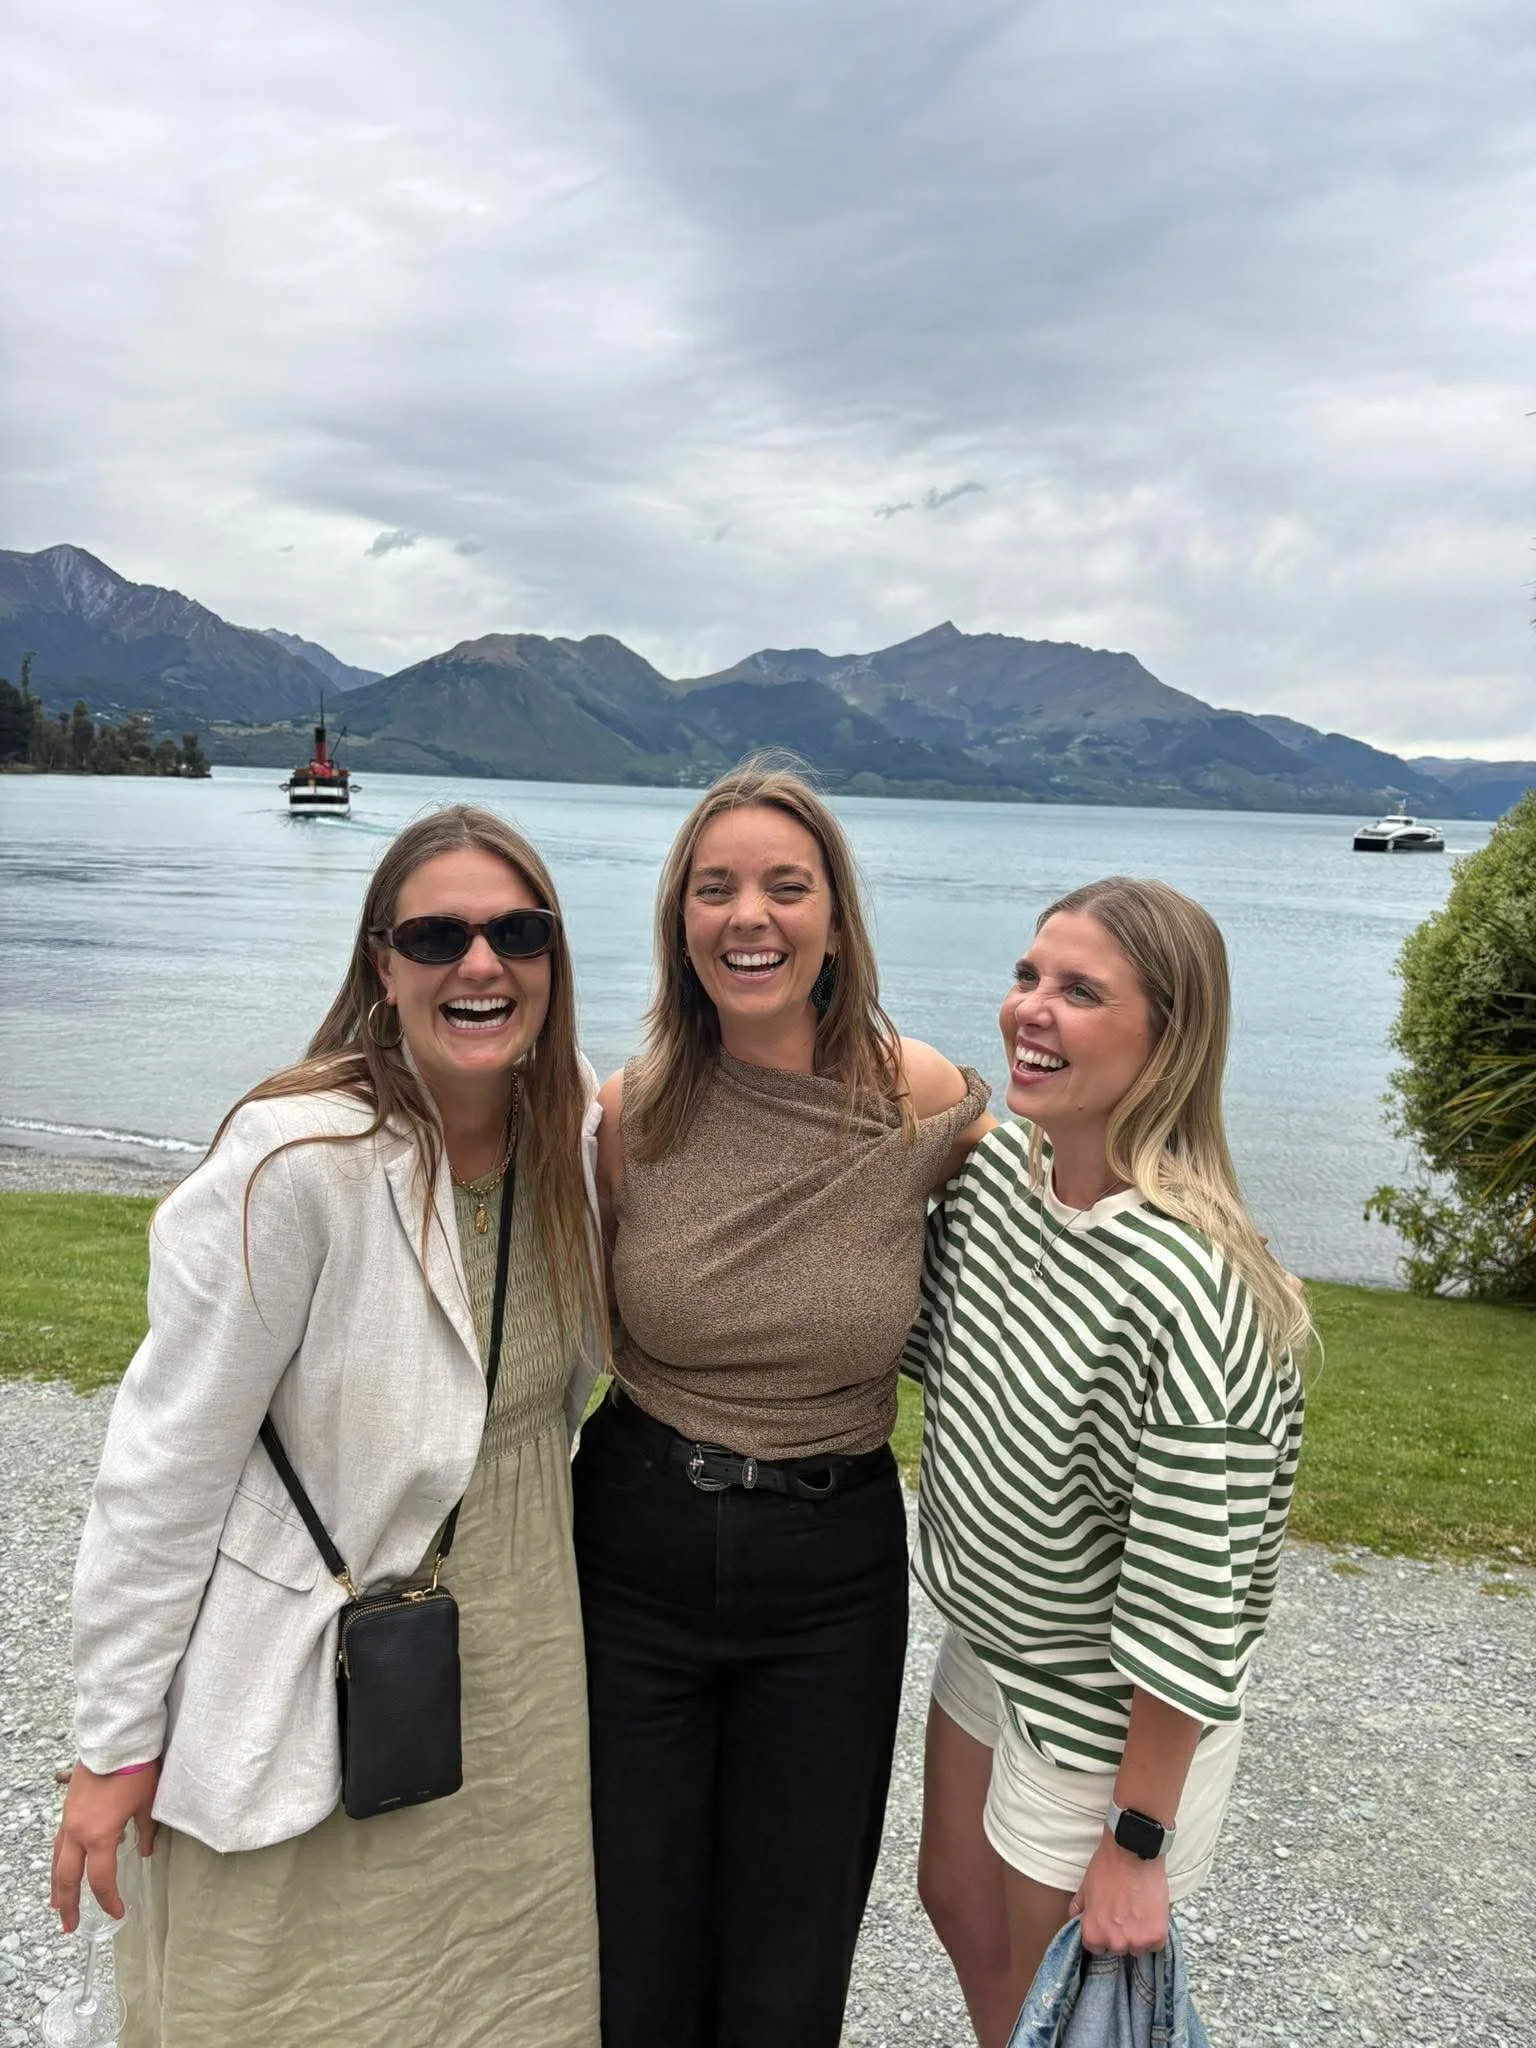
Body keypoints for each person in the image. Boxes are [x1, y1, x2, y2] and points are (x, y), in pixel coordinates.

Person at [50, 805, 607, 2048]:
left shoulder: (573, 1141)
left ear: (553, 960)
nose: (481, 962)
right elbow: (165, 1465)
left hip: (518, 1648)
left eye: (518, 930)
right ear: (381, 962)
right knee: (287, 1995)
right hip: (314, 1634)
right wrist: (113, 1743)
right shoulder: (294, 1159)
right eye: (438, 934)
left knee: (498, 1983)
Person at [573, 761, 992, 2048]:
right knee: (630, 1944)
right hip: (634, 1542)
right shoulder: (628, 1113)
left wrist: (1207, 1237)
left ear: (834, 916)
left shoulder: (912, 1095)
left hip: (831, 1567)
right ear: (679, 920)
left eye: (783, 885)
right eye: (716, 888)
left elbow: (1074, 1184)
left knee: (792, 1957)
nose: (748, 916)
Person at [909, 877, 1308, 2048]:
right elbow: (925, 1332)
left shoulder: (1194, 1285)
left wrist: (1138, 1840)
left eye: (1081, 991)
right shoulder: (997, 1183)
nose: (1032, 1009)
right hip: (997, 1637)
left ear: (1168, 1037)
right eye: (1029, 975)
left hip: (1111, 1711)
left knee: (1069, 1987)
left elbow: (1192, 1596)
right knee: (957, 1902)